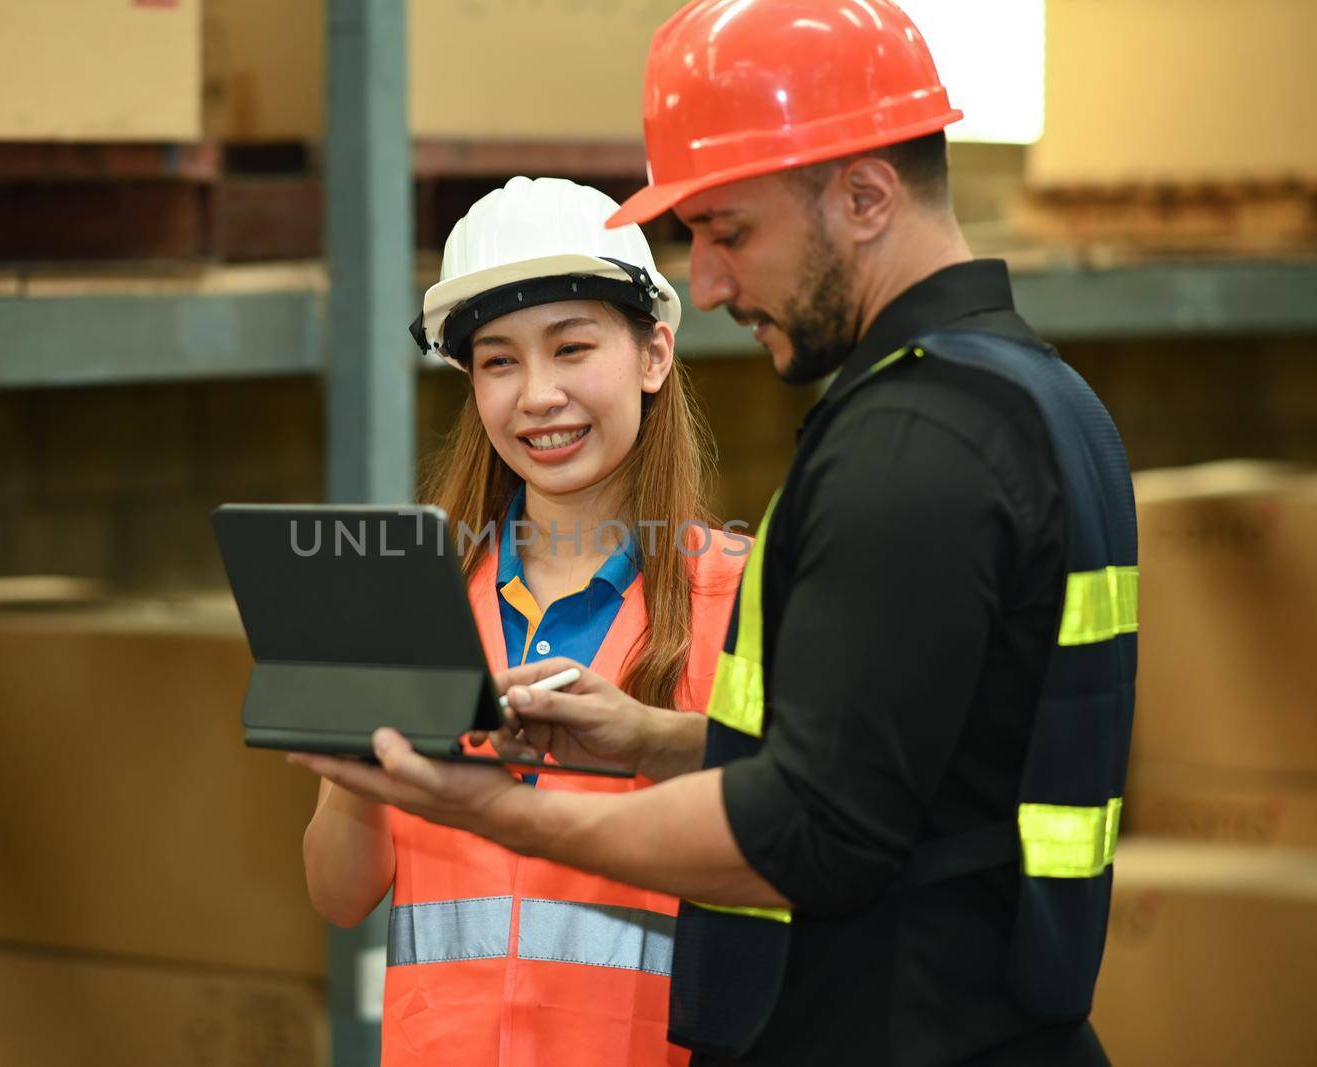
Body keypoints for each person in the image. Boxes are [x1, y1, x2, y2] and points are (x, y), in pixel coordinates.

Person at [293, 2, 1139, 1065]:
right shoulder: (1036, 401)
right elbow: (886, 759)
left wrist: (493, 805)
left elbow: (808, 823)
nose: (714, 279)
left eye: (729, 231)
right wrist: (647, 742)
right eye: (497, 361)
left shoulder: (911, 448)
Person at [300, 175, 749, 1066]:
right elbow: (340, 894)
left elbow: (795, 857)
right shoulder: (413, 601)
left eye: (572, 347)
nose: (537, 395)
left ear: (655, 353)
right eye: (499, 361)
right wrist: (354, 761)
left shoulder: (737, 598)